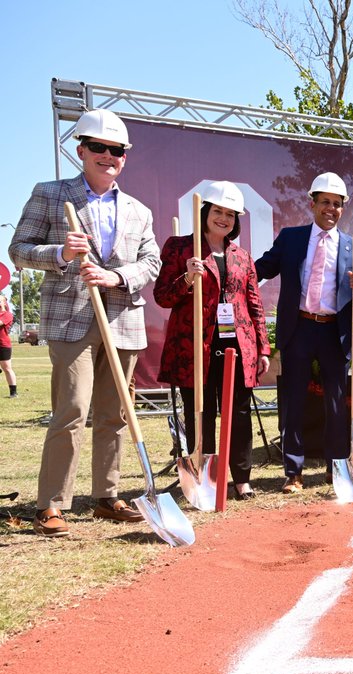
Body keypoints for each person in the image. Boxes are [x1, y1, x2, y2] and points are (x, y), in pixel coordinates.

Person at [7, 109, 161, 536]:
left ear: (125, 158)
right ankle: (51, 504)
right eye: (99, 147)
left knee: (114, 415)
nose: (108, 156)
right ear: (82, 150)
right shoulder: (52, 194)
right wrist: (60, 253)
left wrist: (116, 276)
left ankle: (107, 497)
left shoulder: (138, 210)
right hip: (71, 318)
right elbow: (18, 249)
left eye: (117, 150)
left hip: (123, 320)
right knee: (72, 410)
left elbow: (152, 263)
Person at [255, 172, 353, 493]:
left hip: (335, 333)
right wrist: (225, 267)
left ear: (342, 208)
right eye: (325, 203)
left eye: (337, 204)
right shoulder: (291, 238)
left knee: (335, 403)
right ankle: (293, 472)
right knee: (292, 401)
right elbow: (261, 268)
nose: (331, 209)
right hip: (299, 329)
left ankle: (336, 470)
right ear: (313, 204)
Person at [155, 181, 271, 500]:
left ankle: (242, 479)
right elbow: (162, 296)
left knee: (239, 413)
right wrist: (186, 278)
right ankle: (204, 479)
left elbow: (254, 302)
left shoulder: (242, 256)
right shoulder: (180, 248)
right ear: (205, 212)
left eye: (230, 214)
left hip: (237, 345)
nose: (224, 218)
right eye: (218, 211)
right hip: (195, 346)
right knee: (200, 412)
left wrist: (262, 346)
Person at [0, 294, 15, 397]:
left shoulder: (7, 315)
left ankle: (13, 392)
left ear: (4, 302)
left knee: (7, 368)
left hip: (3, 344)